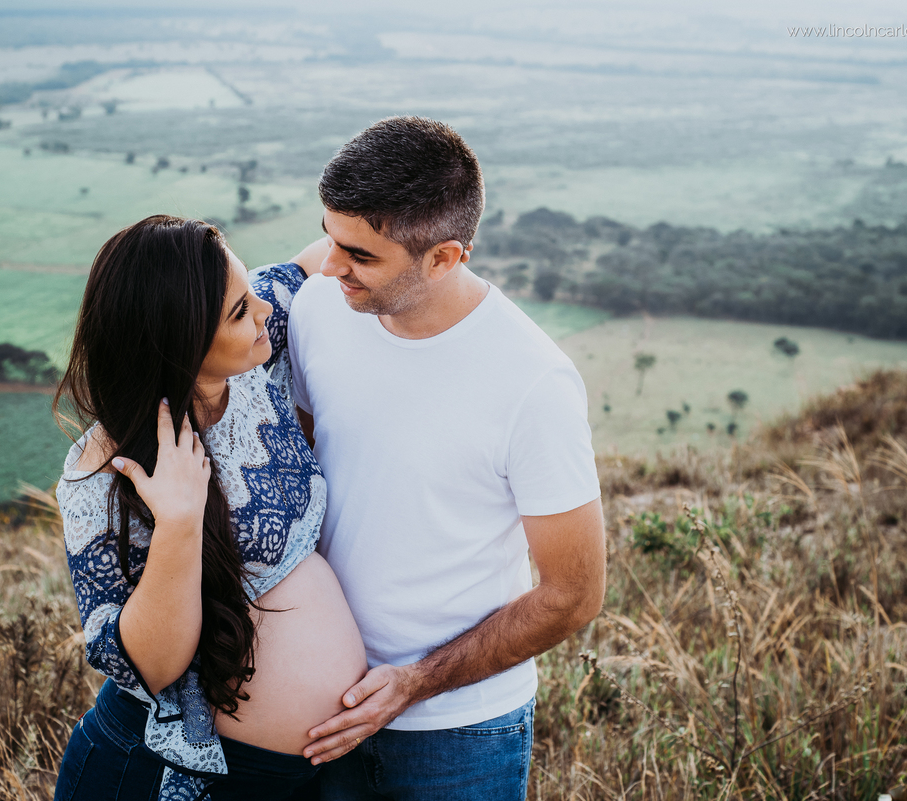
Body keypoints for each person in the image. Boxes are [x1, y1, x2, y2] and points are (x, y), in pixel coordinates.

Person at [287, 116, 608, 800]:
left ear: (445, 257)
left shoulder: (533, 381)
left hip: (458, 733)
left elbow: (574, 593)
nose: (330, 265)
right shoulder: (319, 308)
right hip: (318, 706)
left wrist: (413, 682)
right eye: (330, 238)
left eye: (361, 256)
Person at [50, 215, 366, 801]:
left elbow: (326, 251)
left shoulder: (249, 359)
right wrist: (177, 521)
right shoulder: (107, 474)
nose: (264, 309)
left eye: (248, 292)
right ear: (179, 340)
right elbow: (152, 666)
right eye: (240, 311)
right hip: (164, 777)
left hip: (293, 779)